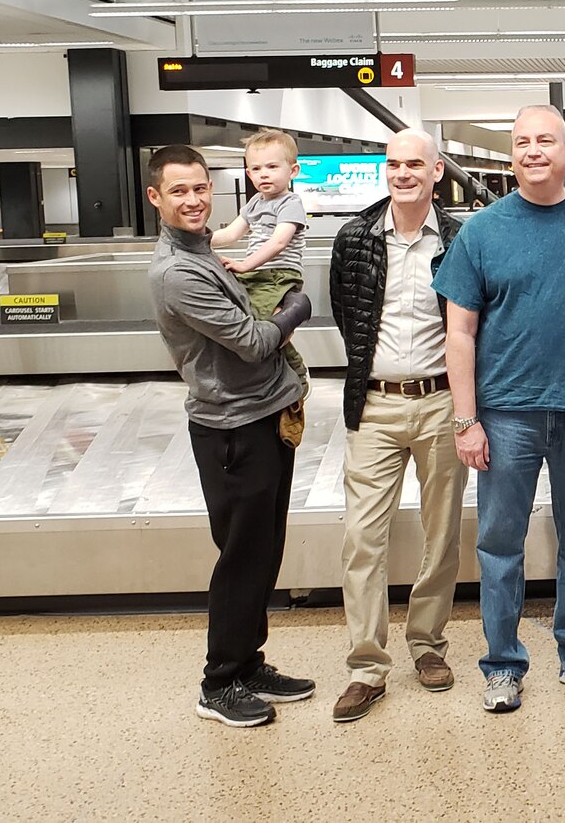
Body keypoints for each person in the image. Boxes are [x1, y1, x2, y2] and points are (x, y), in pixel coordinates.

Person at [433, 104, 565, 714]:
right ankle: (502, 664)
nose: (532, 151)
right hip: (506, 417)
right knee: (500, 544)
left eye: (545, 140)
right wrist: (466, 420)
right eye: (521, 142)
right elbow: (460, 332)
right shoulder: (482, 232)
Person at [144, 144, 316, 728]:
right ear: (155, 198)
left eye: (200, 188)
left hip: (264, 418)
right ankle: (219, 683)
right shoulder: (177, 273)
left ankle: (247, 663)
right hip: (231, 430)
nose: (193, 200)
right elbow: (251, 341)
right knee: (242, 557)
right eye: (179, 191)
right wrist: (298, 307)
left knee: (265, 550)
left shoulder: (205, 251)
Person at [326, 130, 467, 722]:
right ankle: (366, 665)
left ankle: (429, 646)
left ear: (438, 172)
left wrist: (467, 412)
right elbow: (344, 310)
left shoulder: (462, 238)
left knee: (441, 534)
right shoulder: (355, 236)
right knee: (363, 536)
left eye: (414, 164)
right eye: (392, 164)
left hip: (441, 403)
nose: (402, 173)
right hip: (376, 405)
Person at [211, 129, 312, 394]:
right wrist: (200, 239)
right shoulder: (255, 202)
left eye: (272, 166)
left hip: (279, 275)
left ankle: (295, 371)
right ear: (248, 174)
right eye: (256, 168)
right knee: (238, 319)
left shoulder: (291, 203)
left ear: (293, 171)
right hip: (255, 275)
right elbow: (231, 233)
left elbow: (278, 243)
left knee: (263, 325)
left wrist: (245, 265)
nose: (263, 173)